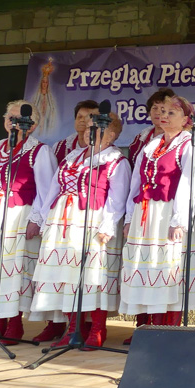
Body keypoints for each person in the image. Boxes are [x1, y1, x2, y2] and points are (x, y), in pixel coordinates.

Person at [31, 112, 130, 348]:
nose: (88, 132)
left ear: (111, 134)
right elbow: (54, 188)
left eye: (96, 129)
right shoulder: (73, 156)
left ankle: (97, 329)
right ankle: (73, 328)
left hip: (93, 220)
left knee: (92, 277)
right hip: (63, 220)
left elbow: (117, 197)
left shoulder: (116, 160)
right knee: (68, 276)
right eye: (87, 129)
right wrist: (46, 220)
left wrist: (107, 225)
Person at [0, 100, 57, 345]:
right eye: (10, 118)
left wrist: (37, 220)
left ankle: (15, 324)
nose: (14, 123)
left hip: (19, 216)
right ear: (4, 121)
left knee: (15, 270)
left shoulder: (39, 151)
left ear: (31, 126)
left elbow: (46, 190)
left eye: (20, 120)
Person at [120, 95, 195, 328]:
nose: (164, 116)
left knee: (168, 266)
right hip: (145, 214)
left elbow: (190, 185)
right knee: (147, 268)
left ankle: (168, 329)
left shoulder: (190, 144)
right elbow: (136, 184)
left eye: (171, 113)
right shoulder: (152, 145)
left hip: (169, 213)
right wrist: (130, 217)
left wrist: (179, 221)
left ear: (186, 119)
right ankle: (147, 327)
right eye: (163, 112)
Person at [29, 99, 100, 343]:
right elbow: (51, 184)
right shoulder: (61, 147)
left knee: (82, 272)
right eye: (80, 116)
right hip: (61, 216)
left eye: (90, 116)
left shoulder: (104, 148)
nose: (85, 120)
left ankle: (86, 327)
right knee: (57, 271)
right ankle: (55, 323)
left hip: (86, 215)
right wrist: (45, 217)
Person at [122, 87, 176, 343]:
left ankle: (161, 329)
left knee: (160, 265)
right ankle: (141, 325)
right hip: (142, 205)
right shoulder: (143, 138)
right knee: (140, 265)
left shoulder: (183, 142)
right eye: (155, 108)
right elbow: (135, 174)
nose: (159, 113)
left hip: (164, 208)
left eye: (165, 109)